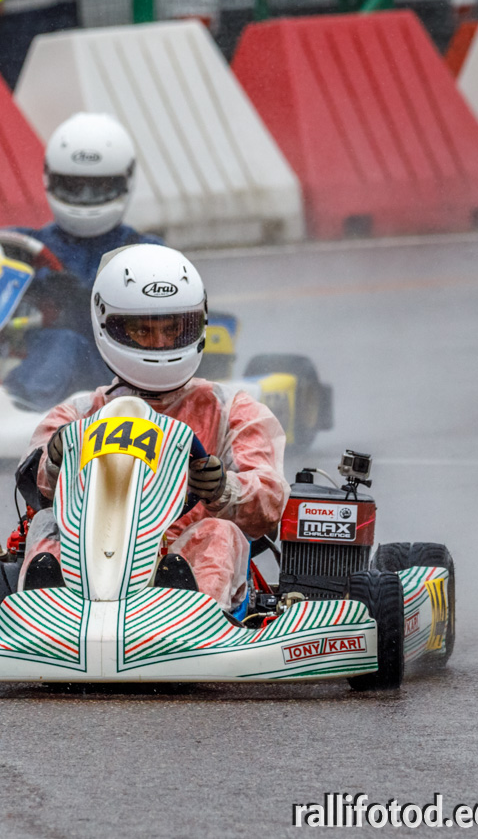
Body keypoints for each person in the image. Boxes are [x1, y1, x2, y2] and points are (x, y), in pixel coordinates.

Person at [18, 244, 289, 611]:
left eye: (173, 329)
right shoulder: (78, 414)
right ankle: (44, 615)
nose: (161, 343)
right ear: (110, 325)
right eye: (142, 330)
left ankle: (192, 618)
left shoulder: (234, 411)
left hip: (185, 563)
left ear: (196, 324)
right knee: (48, 523)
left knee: (220, 532)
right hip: (90, 565)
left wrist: (224, 488)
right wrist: (55, 460)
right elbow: (35, 489)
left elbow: (270, 502)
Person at [2, 112, 162, 410]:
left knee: (64, 341)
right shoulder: (20, 243)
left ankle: (20, 411)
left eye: (99, 187)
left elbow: (159, 333)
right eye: (73, 186)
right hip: (25, 359)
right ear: (51, 179)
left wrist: (82, 302)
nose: (86, 198)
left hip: (109, 379)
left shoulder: (145, 252)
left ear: (125, 182)